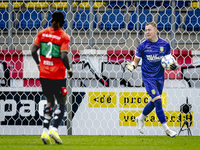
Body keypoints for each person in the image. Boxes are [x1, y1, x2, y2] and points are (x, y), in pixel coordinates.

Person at [126, 22, 178, 137]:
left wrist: (174, 66)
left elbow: (169, 62)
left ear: (155, 31)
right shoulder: (142, 46)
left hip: (160, 77)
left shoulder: (165, 45)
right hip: (148, 78)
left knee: (154, 102)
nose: (147, 32)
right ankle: (167, 130)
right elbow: (135, 61)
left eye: (149, 30)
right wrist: (132, 66)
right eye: (145, 30)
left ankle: (141, 118)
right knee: (158, 100)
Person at [31, 11, 73, 144]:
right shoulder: (64, 36)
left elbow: (32, 50)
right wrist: (69, 69)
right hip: (57, 75)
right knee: (61, 102)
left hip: (44, 74)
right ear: (63, 21)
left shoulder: (42, 33)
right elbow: (63, 56)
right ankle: (54, 129)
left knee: (49, 101)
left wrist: (39, 63)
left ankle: (44, 131)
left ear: (52, 20)